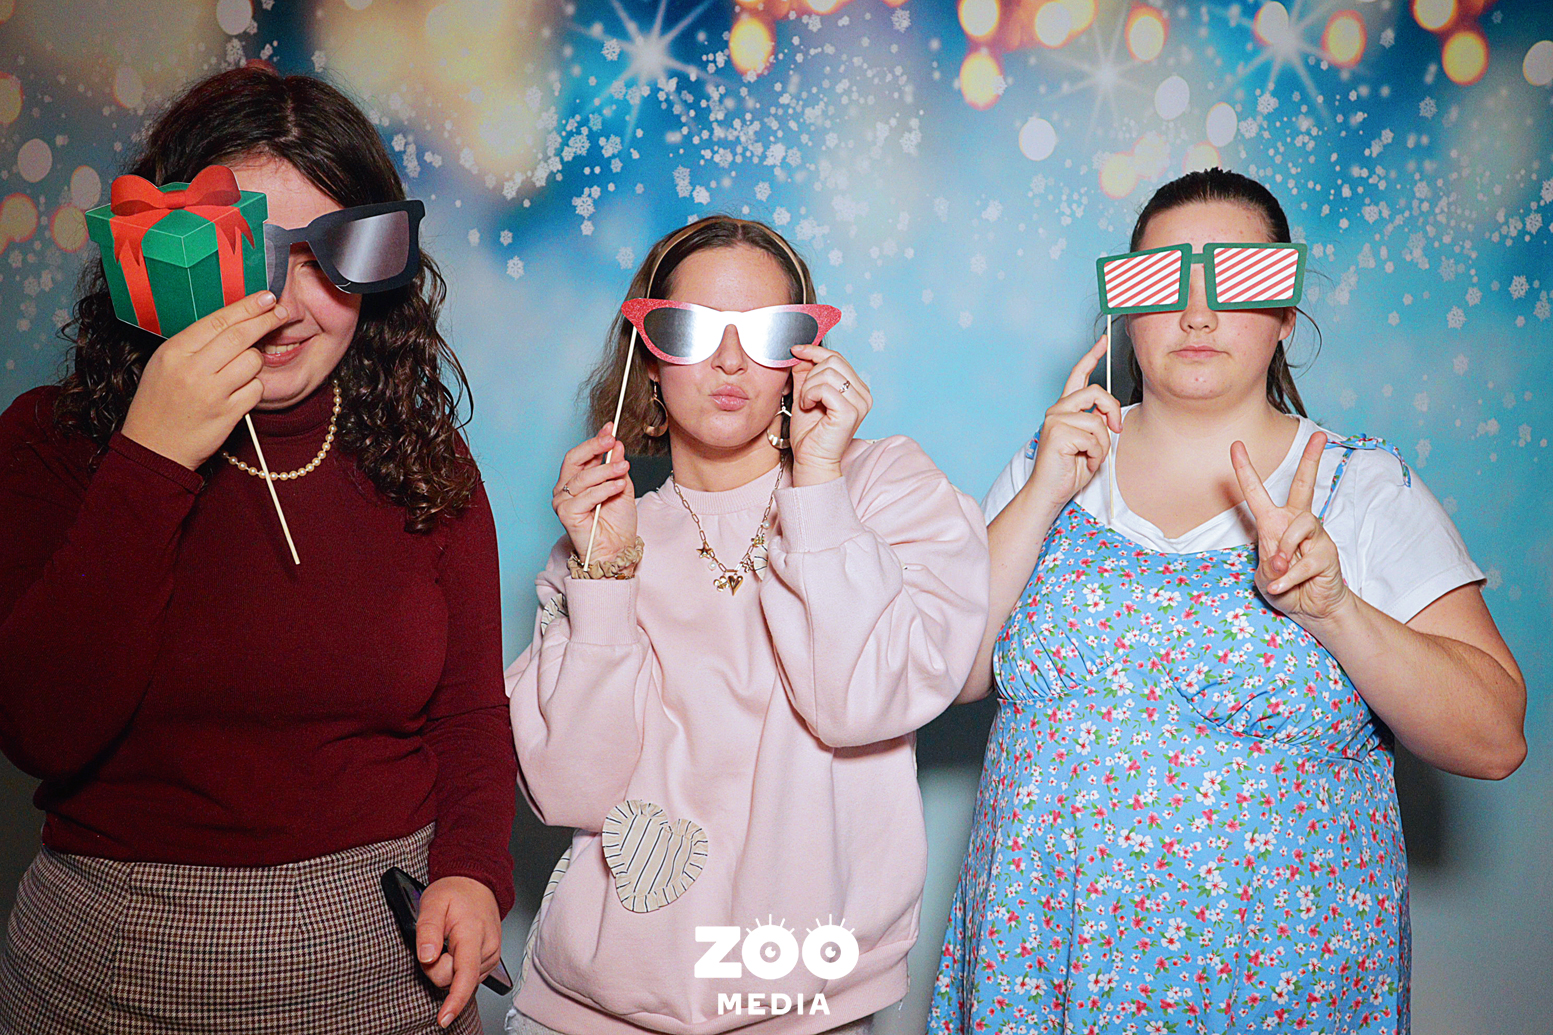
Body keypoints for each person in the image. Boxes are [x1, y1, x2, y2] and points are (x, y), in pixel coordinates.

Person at [931, 168, 1526, 1033]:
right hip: (1039, 967)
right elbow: (949, 674)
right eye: (1159, 280)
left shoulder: (1363, 490)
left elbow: (1493, 739)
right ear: (1124, 310)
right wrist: (1041, 491)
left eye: (1239, 277)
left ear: (1285, 312)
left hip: (1280, 985)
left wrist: (1335, 611)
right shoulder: (1049, 464)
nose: (1197, 313)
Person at [0, 67, 514, 1034]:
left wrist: (476, 871)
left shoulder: (425, 456)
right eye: (246, 254)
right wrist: (152, 457)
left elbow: (470, 712)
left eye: (332, 258)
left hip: (385, 962)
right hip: (112, 968)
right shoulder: (49, 443)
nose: (286, 304)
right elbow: (41, 728)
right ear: (159, 255)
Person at [505, 216, 990, 1035]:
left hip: (803, 1005)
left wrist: (819, 483)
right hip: (586, 1011)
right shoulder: (596, 538)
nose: (730, 361)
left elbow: (858, 704)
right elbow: (569, 792)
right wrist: (606, 574)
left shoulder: (883, 489)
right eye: (691, 330)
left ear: (806, 355)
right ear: (649, 357)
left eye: (766, 332)